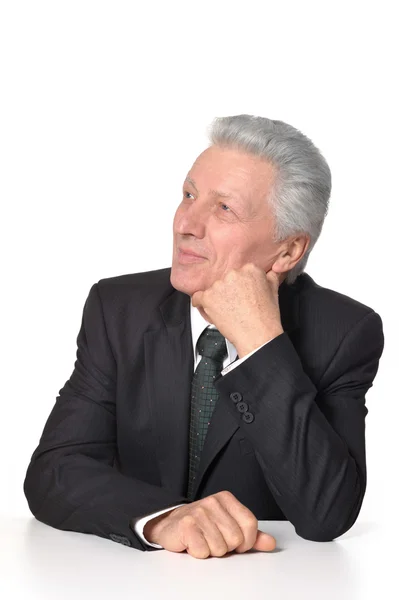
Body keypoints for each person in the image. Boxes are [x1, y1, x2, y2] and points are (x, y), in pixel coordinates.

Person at [24, 114, 384, 559]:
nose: (185, 224)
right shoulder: (118, 308)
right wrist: (163, 518)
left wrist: (261, 344)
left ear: (288, 250)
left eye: (223, 208)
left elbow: (327, 514)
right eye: (189, 195)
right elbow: (55, 472)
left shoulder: (345, 333)